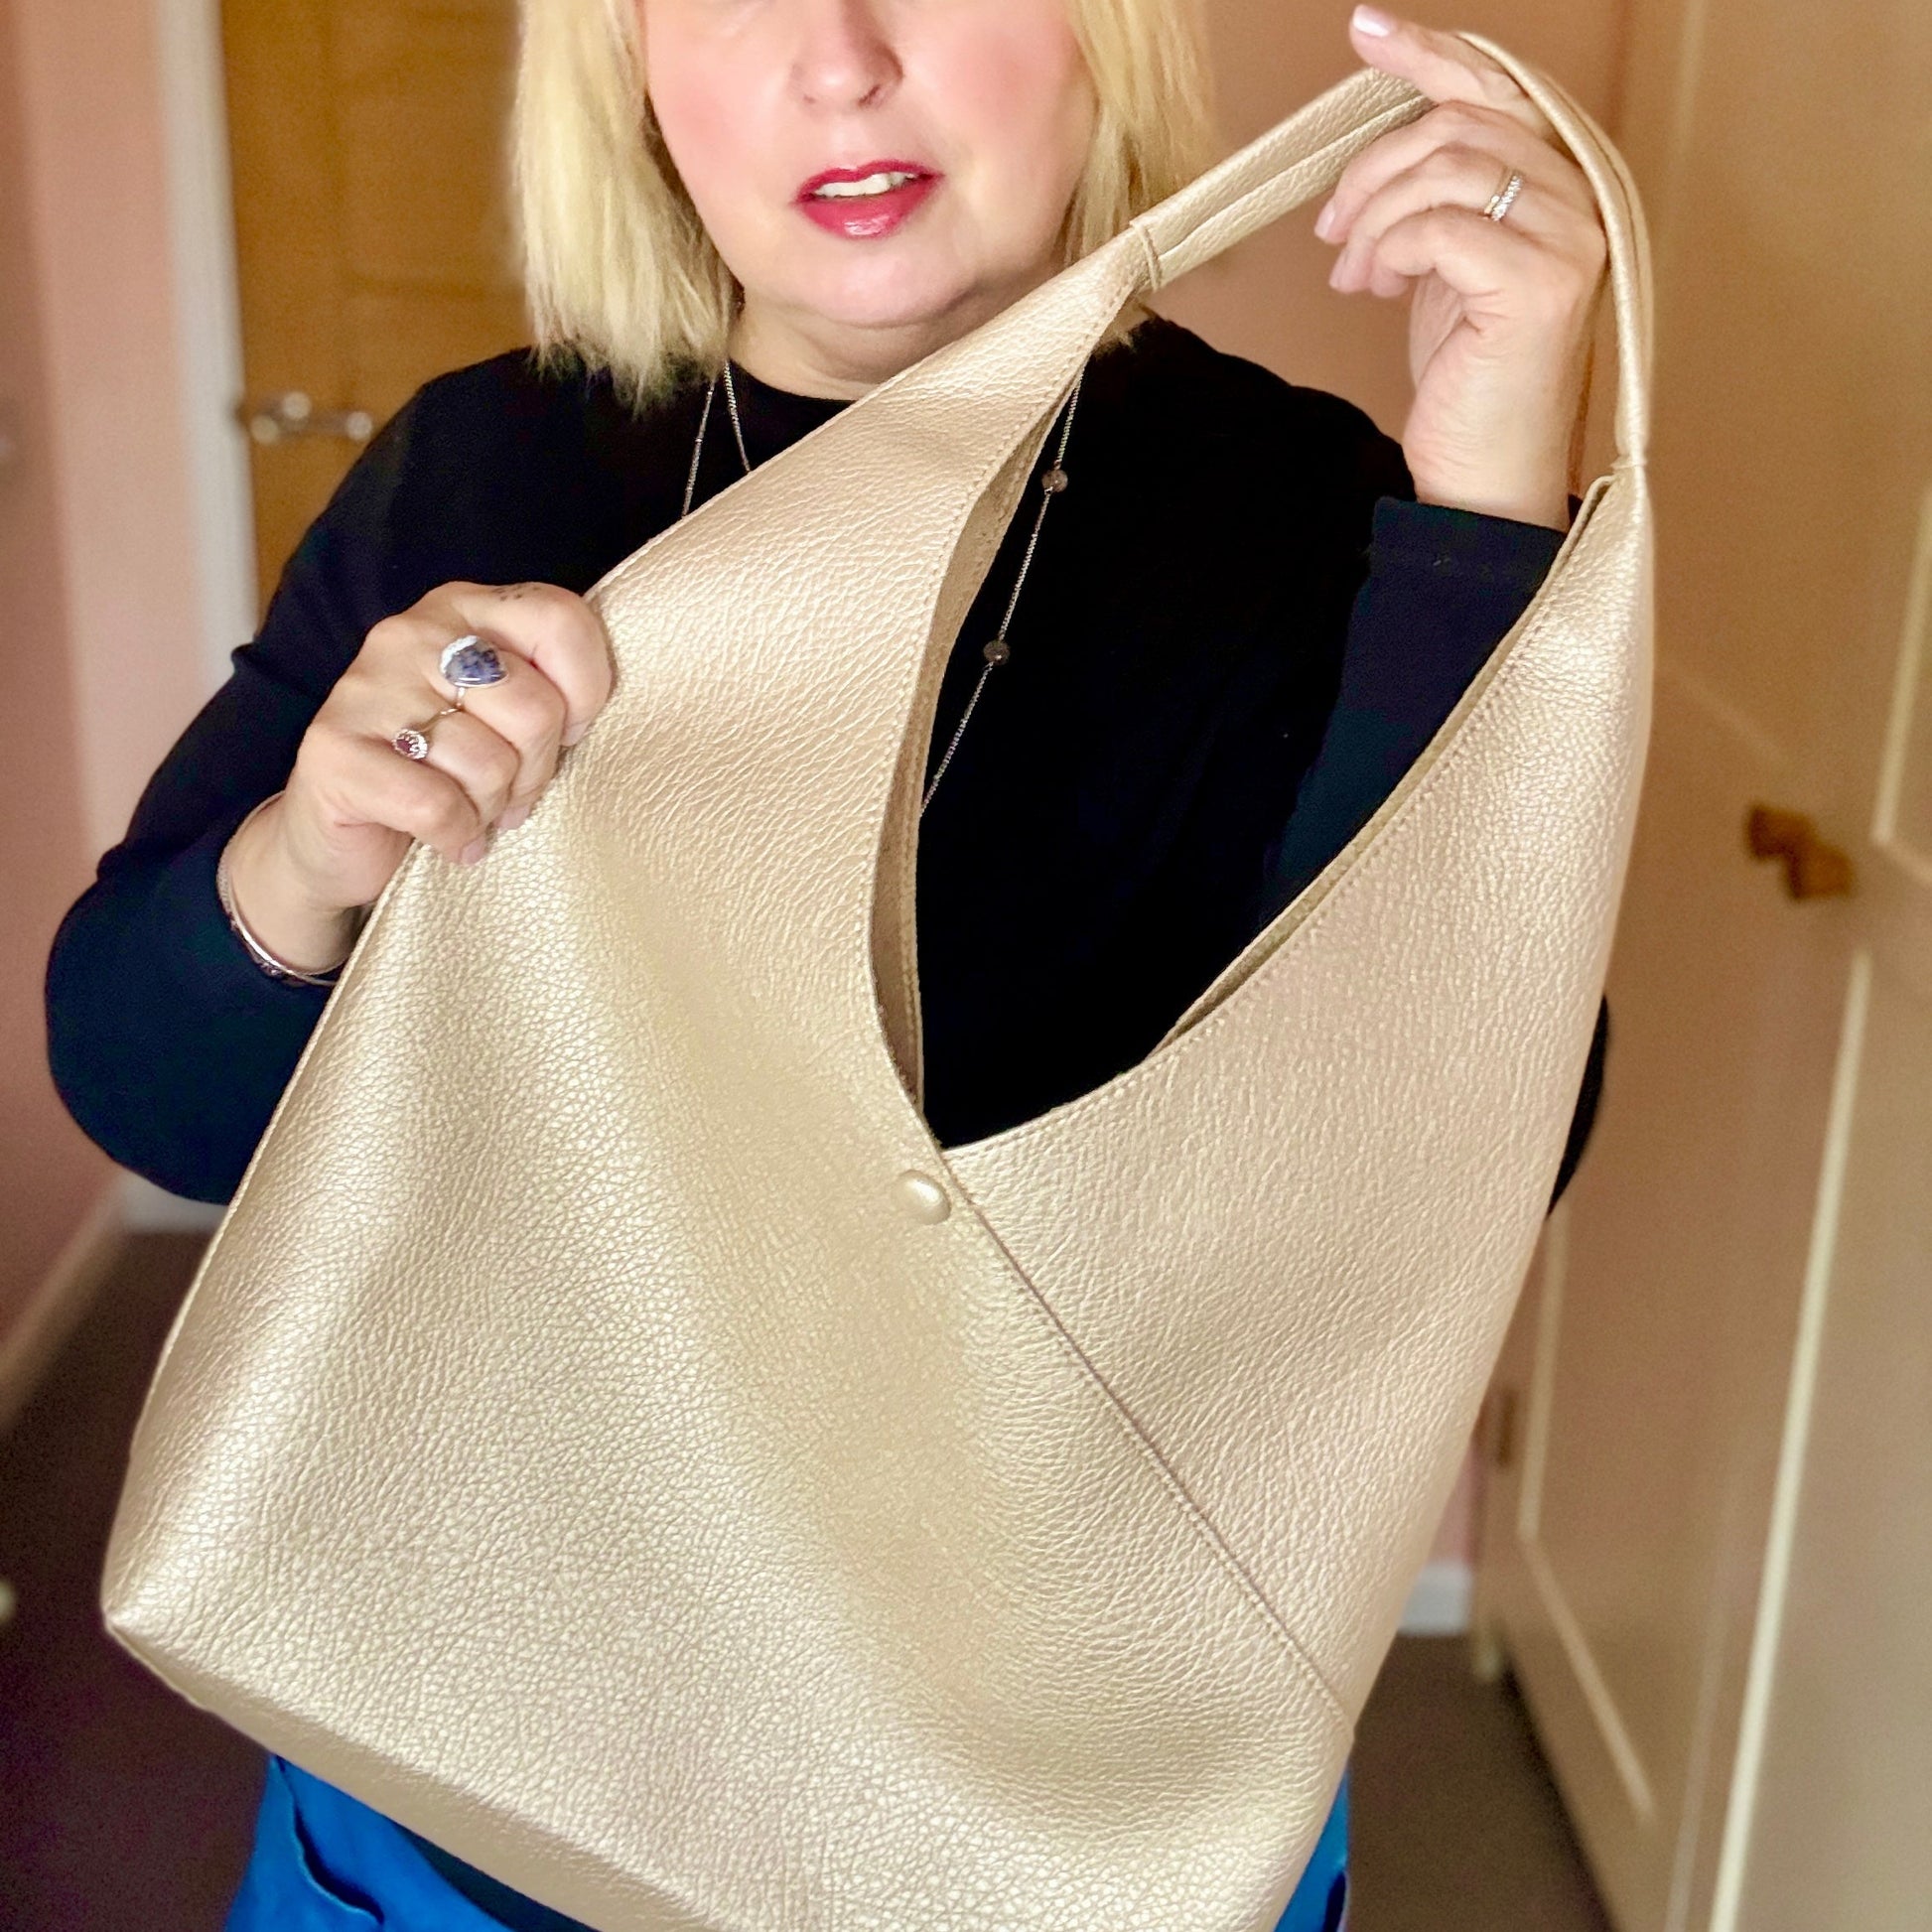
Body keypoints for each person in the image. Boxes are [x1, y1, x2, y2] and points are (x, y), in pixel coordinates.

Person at [45, 1, 1612, 1925]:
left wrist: (1485, 514)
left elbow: (1446, 1170)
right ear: (619, 59)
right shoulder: (482, 472)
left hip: (1053, 1802)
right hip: (482, 1776)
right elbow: (140, 1081)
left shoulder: (1312, 510)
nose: (840, 56)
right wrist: (306, 861)